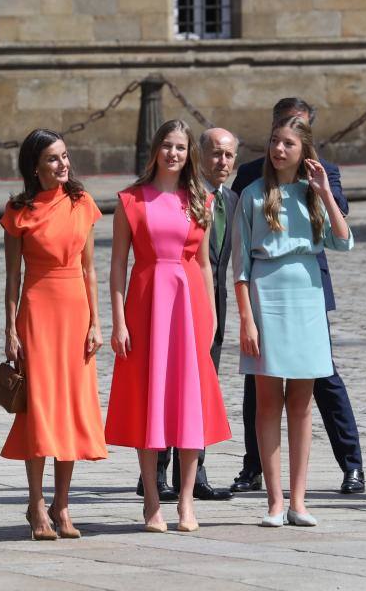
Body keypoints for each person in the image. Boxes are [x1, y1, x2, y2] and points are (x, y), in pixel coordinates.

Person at [230, 97, 365, 495]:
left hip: (308, 293)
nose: (279, 148)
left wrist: (323, 191)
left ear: (305, 141)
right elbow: (238, 253)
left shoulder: (321, 180)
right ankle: (258, 473)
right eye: (276, 138)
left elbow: (342, 240)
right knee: (263, 392)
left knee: (319, 388)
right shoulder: (253, 183)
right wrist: (243, 315)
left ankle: (346, 467)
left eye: (290, 140)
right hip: (265, 294)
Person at [105, 119, 231, 533]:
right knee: (150, 399)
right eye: (167, 146)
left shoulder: (200, 200)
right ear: (156, 150)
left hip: (190, 305)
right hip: (146, 305)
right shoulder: (131, 200)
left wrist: (210, 318)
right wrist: (119, 321)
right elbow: (118, 266)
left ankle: (188, 502)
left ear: (187, 153)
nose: (173, 154)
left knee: (189, 402)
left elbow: (204, 265)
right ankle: (153, 503)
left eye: (180, 147)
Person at [0, 129, 107, 541]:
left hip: (76, 312)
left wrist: (97, 323)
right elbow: (12, 276)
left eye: (64, 156)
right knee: (40, 408)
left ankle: (63, 504)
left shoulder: (82, 202)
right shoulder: (19, 210)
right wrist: (11, 327)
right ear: (35, 166)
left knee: (72, 409)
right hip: (38, 312)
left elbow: (90, 269)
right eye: (52, 159)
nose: (62, 164)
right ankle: (36, 503)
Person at [138, 128, 239, 503]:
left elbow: (214, 264)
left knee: (194, 391)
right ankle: (156, 474)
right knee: (160, 384)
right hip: (161, 296)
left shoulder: (218, 200)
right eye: (215, 154)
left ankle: (193, 478)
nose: (222, 162)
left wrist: (215, 314)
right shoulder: (159, 198)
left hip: (203, 302)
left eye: (229, 156)